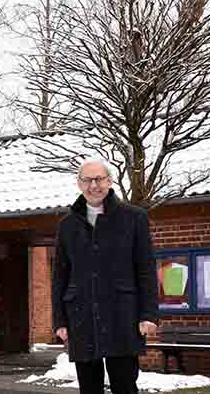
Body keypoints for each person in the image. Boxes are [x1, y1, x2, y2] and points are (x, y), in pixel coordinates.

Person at [51, 157, 159, 394]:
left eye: (99, 179)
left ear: (110, 181)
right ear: (79, 183)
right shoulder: (67, 225)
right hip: (81, 316)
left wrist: (148, 314)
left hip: (122, 314)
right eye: (87, 180)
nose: (94, 185)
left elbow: (146, 269)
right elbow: (60, 275)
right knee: (89, 387)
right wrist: (59, 320)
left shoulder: (134, 218)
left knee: (125, 385)